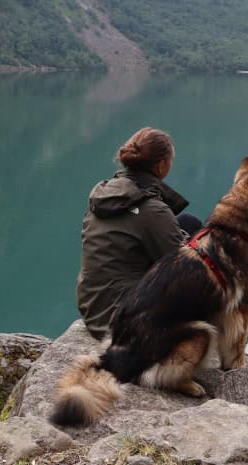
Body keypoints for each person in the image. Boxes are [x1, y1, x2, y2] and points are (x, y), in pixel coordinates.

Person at [76, 127, 201, 340]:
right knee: (199, 267)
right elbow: (182, 273)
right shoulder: (152, 210)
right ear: (161, 166)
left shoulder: (104, 195)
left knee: (187, 223)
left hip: (93, 308)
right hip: (125, 321)